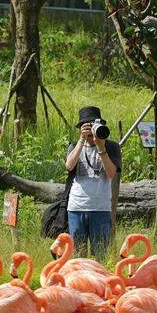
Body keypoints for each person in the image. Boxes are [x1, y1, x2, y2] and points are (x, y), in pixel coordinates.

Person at [64, 106, 122, 257]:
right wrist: (81, 141)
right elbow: (69, 165)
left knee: (100, 255)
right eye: (87, 128)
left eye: (93, 127)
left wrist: (101, 147)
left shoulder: (111, 146)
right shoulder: (74, 145)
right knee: (78, 255)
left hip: (101, 209)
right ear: (80, 129)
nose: (91, 133)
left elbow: (110, 174)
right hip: (76, 207)